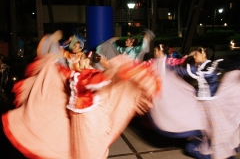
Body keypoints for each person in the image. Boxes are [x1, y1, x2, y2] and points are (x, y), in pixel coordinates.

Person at [2, 30, 160, 159]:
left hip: (89, 121)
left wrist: (117, 69)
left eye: (83, 54)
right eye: (77, 49)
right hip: (81, 120)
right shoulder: (74, 73)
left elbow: (103, 69)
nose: (83, 57)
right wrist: (54, 41)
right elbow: (55, 54)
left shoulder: (87, 71)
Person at [150, 46, 240, 159]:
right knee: (203, 128)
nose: (194, 56)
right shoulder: (199, 66)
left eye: (197, 54)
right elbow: (181, 69)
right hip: (201, 103)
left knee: (215, 131)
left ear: (204, 54)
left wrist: (165, 63)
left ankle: (220, 151)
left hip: (212, 105)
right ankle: (208, 145)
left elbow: (231, 65)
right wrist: (163, 63)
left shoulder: (211, 65)